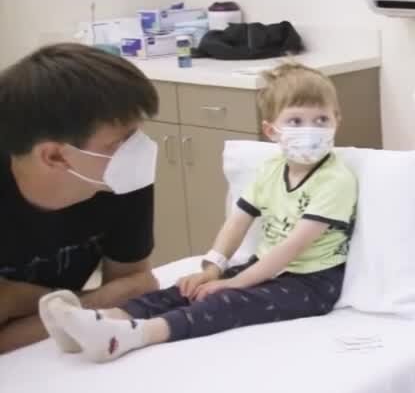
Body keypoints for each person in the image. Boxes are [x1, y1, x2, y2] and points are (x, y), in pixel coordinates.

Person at [40, 62, 357, 363]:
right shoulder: (271, 170)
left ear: (337, 122)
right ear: (271, 130)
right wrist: (213, 267)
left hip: (312, 284)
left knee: (223, 302)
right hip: (266, 268)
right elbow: (238, 221)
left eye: (321, 120)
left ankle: (133, 336)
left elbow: (293, 247)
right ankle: (99, 321)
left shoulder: (335, 180)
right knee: (185, 289)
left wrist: (235, 284)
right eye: (296, 121)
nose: (311, 130)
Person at [0, 43, 161, 355]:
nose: (137, 150)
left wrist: (18, 299)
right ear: (55, 156)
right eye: (120, 140)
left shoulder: (120, 181)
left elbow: (136, 286)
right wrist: (84, 307)